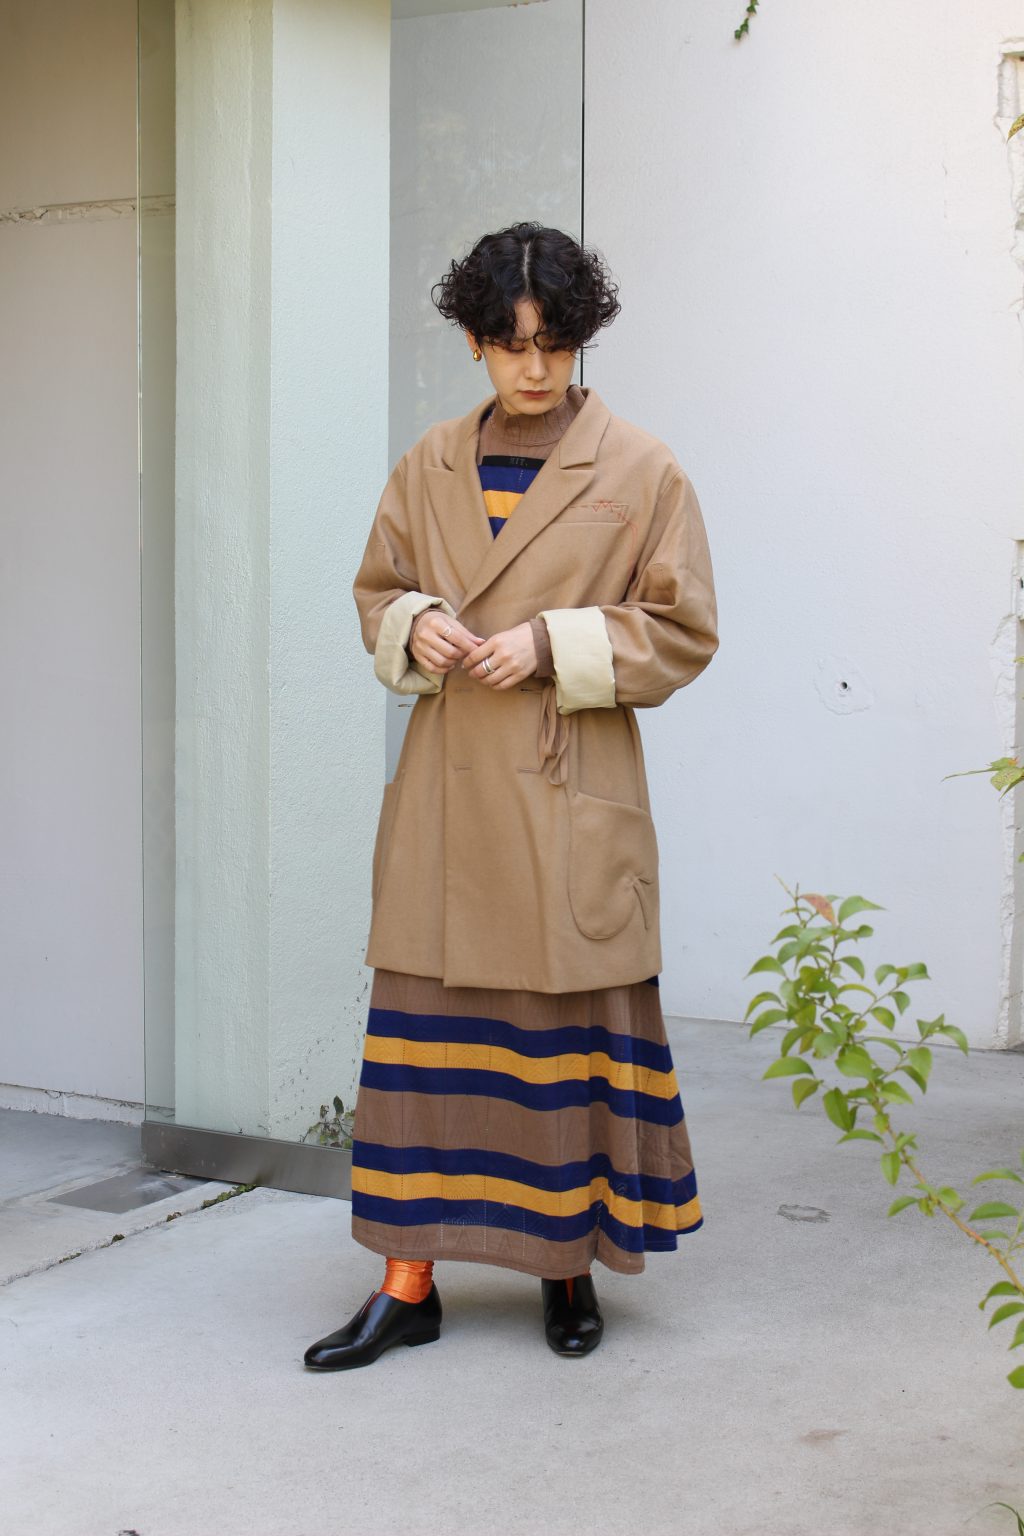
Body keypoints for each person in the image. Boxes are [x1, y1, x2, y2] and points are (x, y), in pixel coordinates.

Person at [303, 221, 719, 1372]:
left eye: (554, 344)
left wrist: (553, 642)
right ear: (473, 342)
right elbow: (376, 589)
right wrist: (413, 624)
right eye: (508, 343)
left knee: (556, 1050)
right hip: (447, 804)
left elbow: (684, 630)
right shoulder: (428, 463)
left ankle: (563, 1267)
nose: (533, 368)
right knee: (423, 1050)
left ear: (581, 340)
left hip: (562, 790)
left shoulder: (641, 468)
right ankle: (407, 1286)